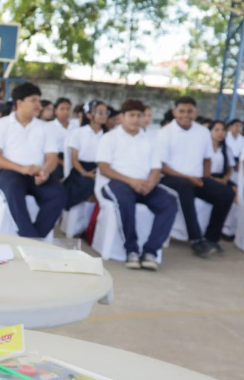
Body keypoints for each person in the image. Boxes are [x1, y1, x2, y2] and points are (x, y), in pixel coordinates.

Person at [96, 99, 177, 270]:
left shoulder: (150, 139)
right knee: (125, 200)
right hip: (116, 183)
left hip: (144, 185)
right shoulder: (110, 137)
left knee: (169, 202)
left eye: (138, 116)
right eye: (131, 115)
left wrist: (150, 184)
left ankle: (150, 252)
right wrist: (131, 181)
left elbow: (156, 169)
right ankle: (131, 250)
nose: (135, 119)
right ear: (122, 117)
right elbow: (104, 168)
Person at [0, 82, 66, 238]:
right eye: (34, 100)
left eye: (39, 100)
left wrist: (44, 172)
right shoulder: (0, 125)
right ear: (20, 103)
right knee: (13, 189)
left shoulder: (45, 127)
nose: (39, 105)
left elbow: (52, 157)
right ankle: (29, 236)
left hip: (37, 174)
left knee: (58, 194)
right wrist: (21, 169)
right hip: (10, 173)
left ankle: (37, 236)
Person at [156, 97, 235, 257]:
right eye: (182, 111)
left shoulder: (203, 132)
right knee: (185, 186)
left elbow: (207, 158)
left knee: (226, 193)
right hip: (171, 179)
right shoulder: (165, 133)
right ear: (174, 112)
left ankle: (211, 238)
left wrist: (206, 179)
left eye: (190, 111)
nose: (186, 115)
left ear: (196, 112)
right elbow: (162, 166)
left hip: (196, 179)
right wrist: (188, 177)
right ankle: (196, 240)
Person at [63, 101, 107, 210]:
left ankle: (90, 225)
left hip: (101, 169)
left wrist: (99, 171)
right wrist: (84, 173)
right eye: (100, 112)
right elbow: (74, 159)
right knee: (86, 186)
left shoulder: (108, 135)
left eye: (106, 112)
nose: (104, 115)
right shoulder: (78, 133)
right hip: (81, 170)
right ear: (89, 115)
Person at [47, 97, 77, 183]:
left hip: (73, 157)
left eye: (68, 109)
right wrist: (63, 162)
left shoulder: (76, 126)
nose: (66, 112)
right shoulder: (49, 127)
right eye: (62, 109)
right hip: (57, 158)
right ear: (55, 111)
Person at [209, 120, 236, 191]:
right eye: (217, 130)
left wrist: (225, 179)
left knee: (236, 190)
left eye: (223, 130)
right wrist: (214, 179)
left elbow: (229, 169)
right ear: (210, 131)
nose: (220, 133)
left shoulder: (227, 149)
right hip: (207, 177)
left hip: (221, 177)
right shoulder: (204, 148)